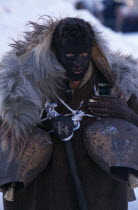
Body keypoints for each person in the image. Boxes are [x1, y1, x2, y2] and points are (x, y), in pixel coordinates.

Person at [0, 17, 138, 210]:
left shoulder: (116, 78)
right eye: (70, 55)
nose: (78, 63)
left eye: (83, 54)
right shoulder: (26, 80)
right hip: (44, 194)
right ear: (55, 51)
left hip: (101, 194)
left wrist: (127, 113)